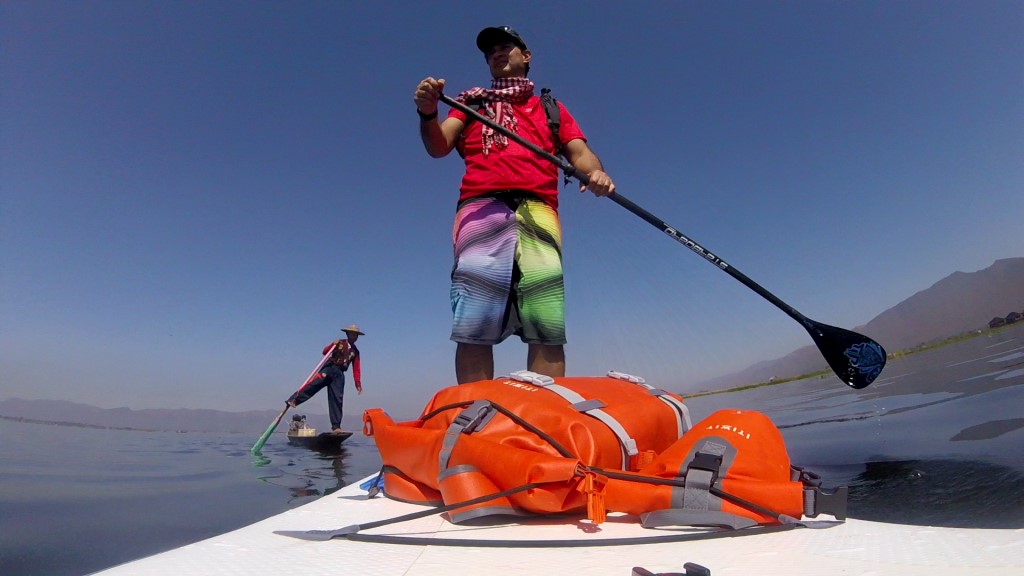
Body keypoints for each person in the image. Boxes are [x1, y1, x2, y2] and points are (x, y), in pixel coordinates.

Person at [414, 25, 615, 384]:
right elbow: (439, 145)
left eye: (506, 46)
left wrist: (596, 174)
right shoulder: (469, 102)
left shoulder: (550, 107)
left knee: (546, 317)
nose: (496, 52)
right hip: (480, 207)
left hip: (539, 209)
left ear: (526, 56)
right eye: (490, 51)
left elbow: (580, 154)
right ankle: (477, 412)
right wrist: (429, 113)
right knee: (475, 316)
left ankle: (543, 412)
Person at [287, 324, 364, 433]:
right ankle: (294, 399)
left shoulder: (356, 352)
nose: (354, 336)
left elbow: (356, 368)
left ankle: (336, 426)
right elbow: (325, 352)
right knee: (314, 384)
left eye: (356, 335)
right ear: (347, 334)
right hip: (330, 368)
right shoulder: (340, 343)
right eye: (352, 334)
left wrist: (358, 383)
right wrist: (332, 344)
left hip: (339, 374)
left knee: (337, 399)